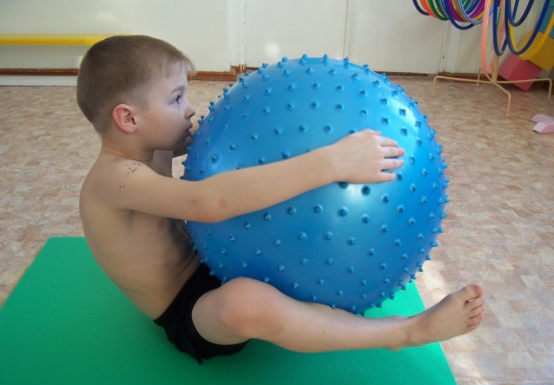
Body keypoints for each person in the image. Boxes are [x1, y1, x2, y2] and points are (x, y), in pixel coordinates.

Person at [77, 35, 484, 365]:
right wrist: (331, 162)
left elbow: (242, 148)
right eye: (176, 99)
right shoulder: (115, 179)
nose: (190, 109)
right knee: (243, 304)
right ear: (128, 118)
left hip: (217, 257)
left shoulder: (151, 146)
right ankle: (403, 332)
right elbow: (206, 202)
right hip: (188, 308)